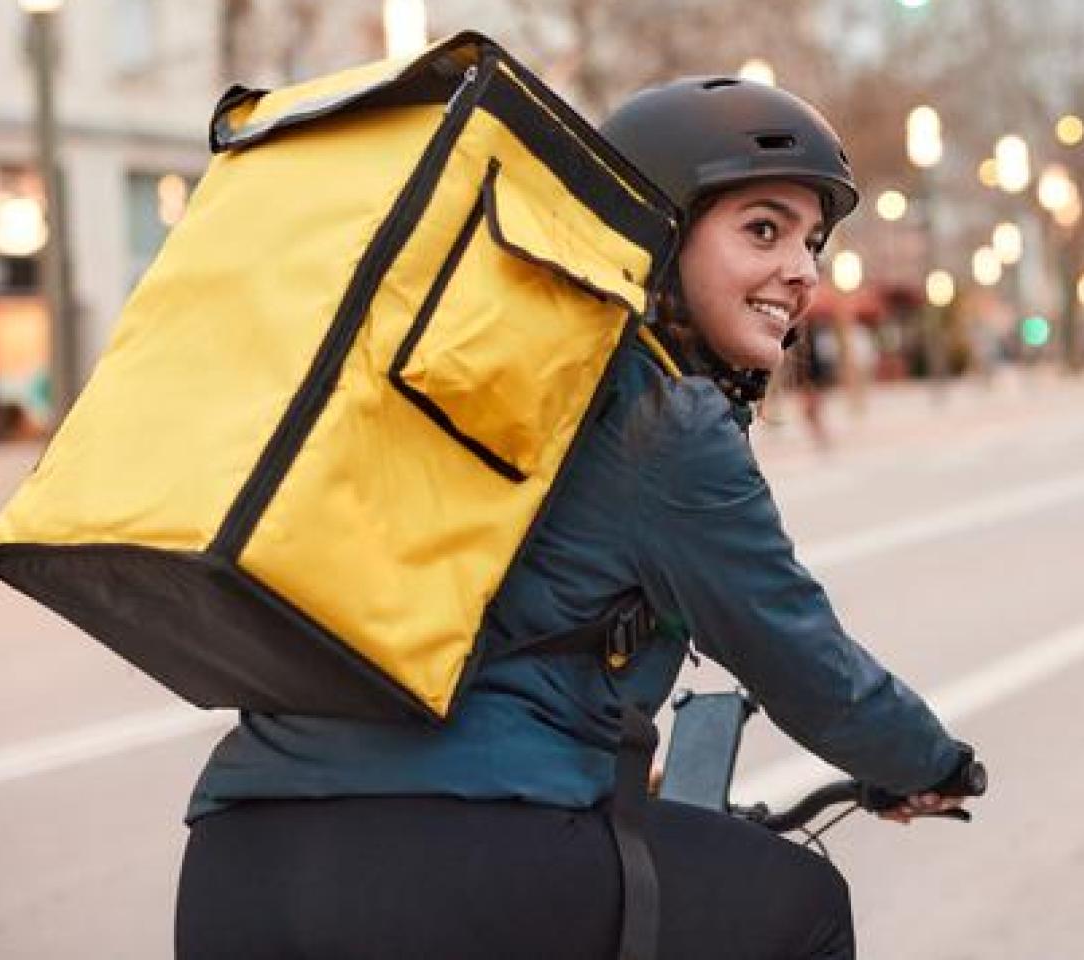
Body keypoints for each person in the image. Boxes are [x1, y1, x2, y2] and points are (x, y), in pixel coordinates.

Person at [174, 76, 982, 960]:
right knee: (805, 906)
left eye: (813, 241)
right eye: (763, 229)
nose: (803, 270)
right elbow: (803, 661)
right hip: (449, 867)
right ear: (657, 235)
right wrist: (929, 764)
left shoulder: (457, 382)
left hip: (237, 866)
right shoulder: (661, 420)